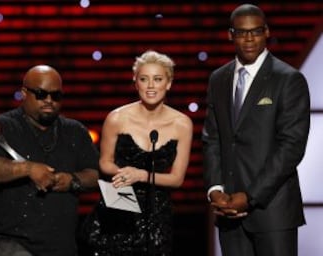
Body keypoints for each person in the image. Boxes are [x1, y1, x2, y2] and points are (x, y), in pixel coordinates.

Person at [202, 3, 310, 256]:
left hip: (273, 212)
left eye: (256, 31)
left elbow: (291, 147)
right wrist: (215, 188)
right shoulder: (218, 79)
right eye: (241, 32)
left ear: (267, 32)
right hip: (228, 212)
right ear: (231, 35)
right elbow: (212, 139)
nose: (249, 39)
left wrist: (250, 196)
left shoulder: (288, 79)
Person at [0, 64, 100, 256]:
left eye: (56, 96)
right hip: (8, 240)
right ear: (24, 93)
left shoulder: (75, 131)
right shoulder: (2, 127)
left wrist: (72, 181)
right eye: (41, 94)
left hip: (60, 244)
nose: (49, 101)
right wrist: (29, 169)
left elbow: (96, 175)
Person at [82, 50, 193, 255]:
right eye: (144, 79)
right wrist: (125, 173)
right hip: (119, 200)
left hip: (157, 211)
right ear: (136, 82)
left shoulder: (182, 124)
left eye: (157, 79)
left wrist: (141, 175)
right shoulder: (116, 118)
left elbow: (177, 179)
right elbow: (105, 162)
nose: (151, 86)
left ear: (168, 83)